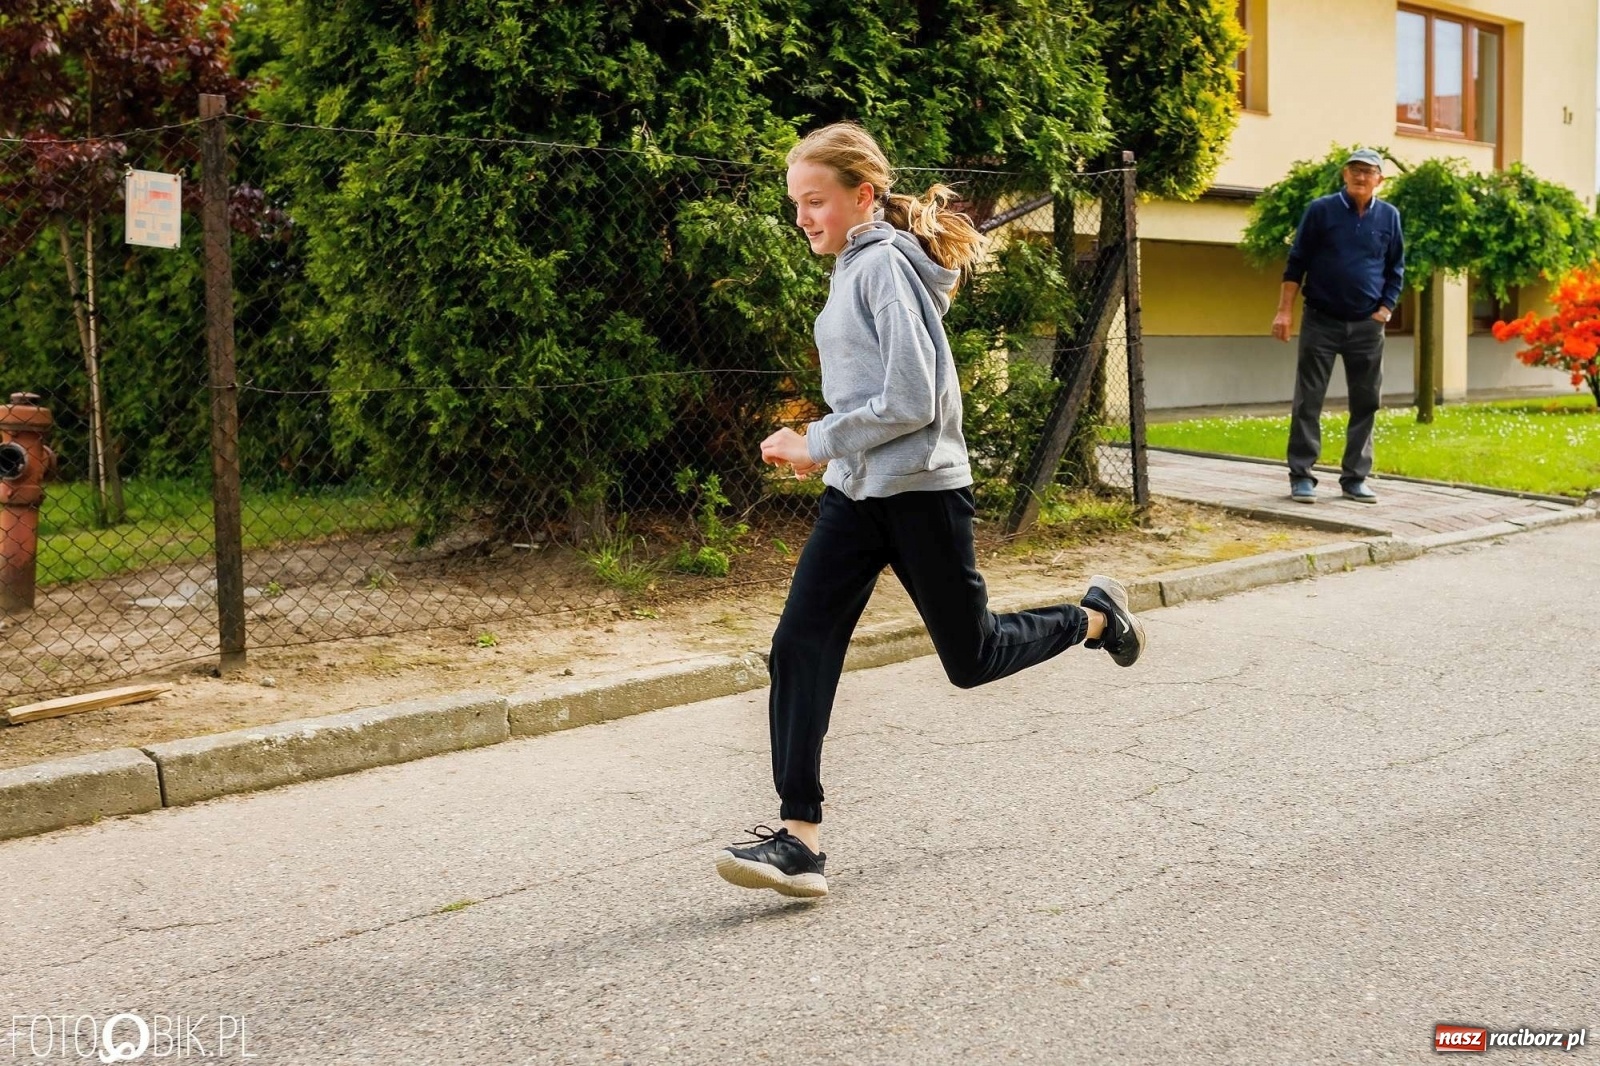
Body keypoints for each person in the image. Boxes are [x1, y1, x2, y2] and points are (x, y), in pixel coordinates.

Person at [714, 122, 1147, 900]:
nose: (804, 217)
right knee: (800, 645)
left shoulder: (879, 267)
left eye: (816, 201)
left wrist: (816, 439)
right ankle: (800, 839)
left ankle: (1094, 617)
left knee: (972, 658)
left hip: (920, 493)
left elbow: (914, 401)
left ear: (864, 196)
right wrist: (834, 451)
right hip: (856, 495)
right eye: (797, 204)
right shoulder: (853, 267)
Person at [1272, 147, 1405, 505]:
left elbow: (1396, 268)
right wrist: (1285, 312)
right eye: (1355, 170)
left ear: (1380, 179)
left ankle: (1355, 478)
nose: (1361, 177)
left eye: (1368, 172)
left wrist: (1386, 308)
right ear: (1344, 175)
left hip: (1367, 326)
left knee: (1366, 402)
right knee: (1308, 399)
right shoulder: (1321, 211)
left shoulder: (1389, 217)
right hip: (1321, 320)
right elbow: (1296, 261)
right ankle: (1301, 475)